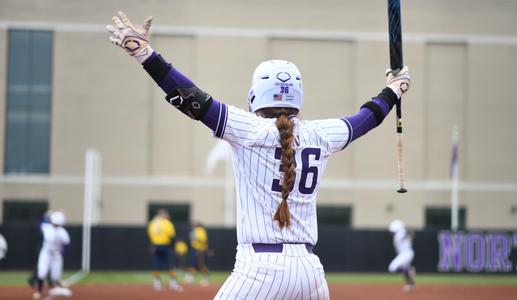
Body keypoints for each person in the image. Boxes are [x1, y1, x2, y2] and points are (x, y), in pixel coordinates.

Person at [106, 11, 410, 299]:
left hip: (260, 268)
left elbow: (191, 99)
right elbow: (367, 118)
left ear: (255, 97)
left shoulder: (249, 128)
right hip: (310, 272)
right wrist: (394, 90)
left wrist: (144, 54)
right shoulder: (323, 133)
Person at [33, 211, 72, 299]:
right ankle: (38, 291)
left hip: (56, 255)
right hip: (46, 253)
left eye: (57, 224)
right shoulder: (46, 227)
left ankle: (58, 287)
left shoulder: (63, 232)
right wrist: (44, 216)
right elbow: (37, 224)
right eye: (54, 223)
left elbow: (67, 245)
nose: (54, 225)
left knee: (55, 276)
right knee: (42, 272)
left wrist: (62, 252)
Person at [147, 209, 182, 291]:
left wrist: (150, 245)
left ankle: (157, 284)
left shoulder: (152, 223)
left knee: (156, 264)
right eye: (166, 215)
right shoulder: (167, 223)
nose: (168, 216)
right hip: (166, 246)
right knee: (170, 265)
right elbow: (172, 237)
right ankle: (173, 284)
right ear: (163, 215)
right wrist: (173, 248)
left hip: (155, 246)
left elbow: (148, 236)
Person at [388, 220, 416, 292]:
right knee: (403, 271)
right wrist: (408, 234)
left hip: (406, 254)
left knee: (392, 268)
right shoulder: (399, 233)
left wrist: (407, 233)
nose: (391, 232)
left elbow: (408, 233)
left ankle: (408, 270)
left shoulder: (400, 232)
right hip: (405, 253)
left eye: (393, 231)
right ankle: (410, 284)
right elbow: (410, 233)